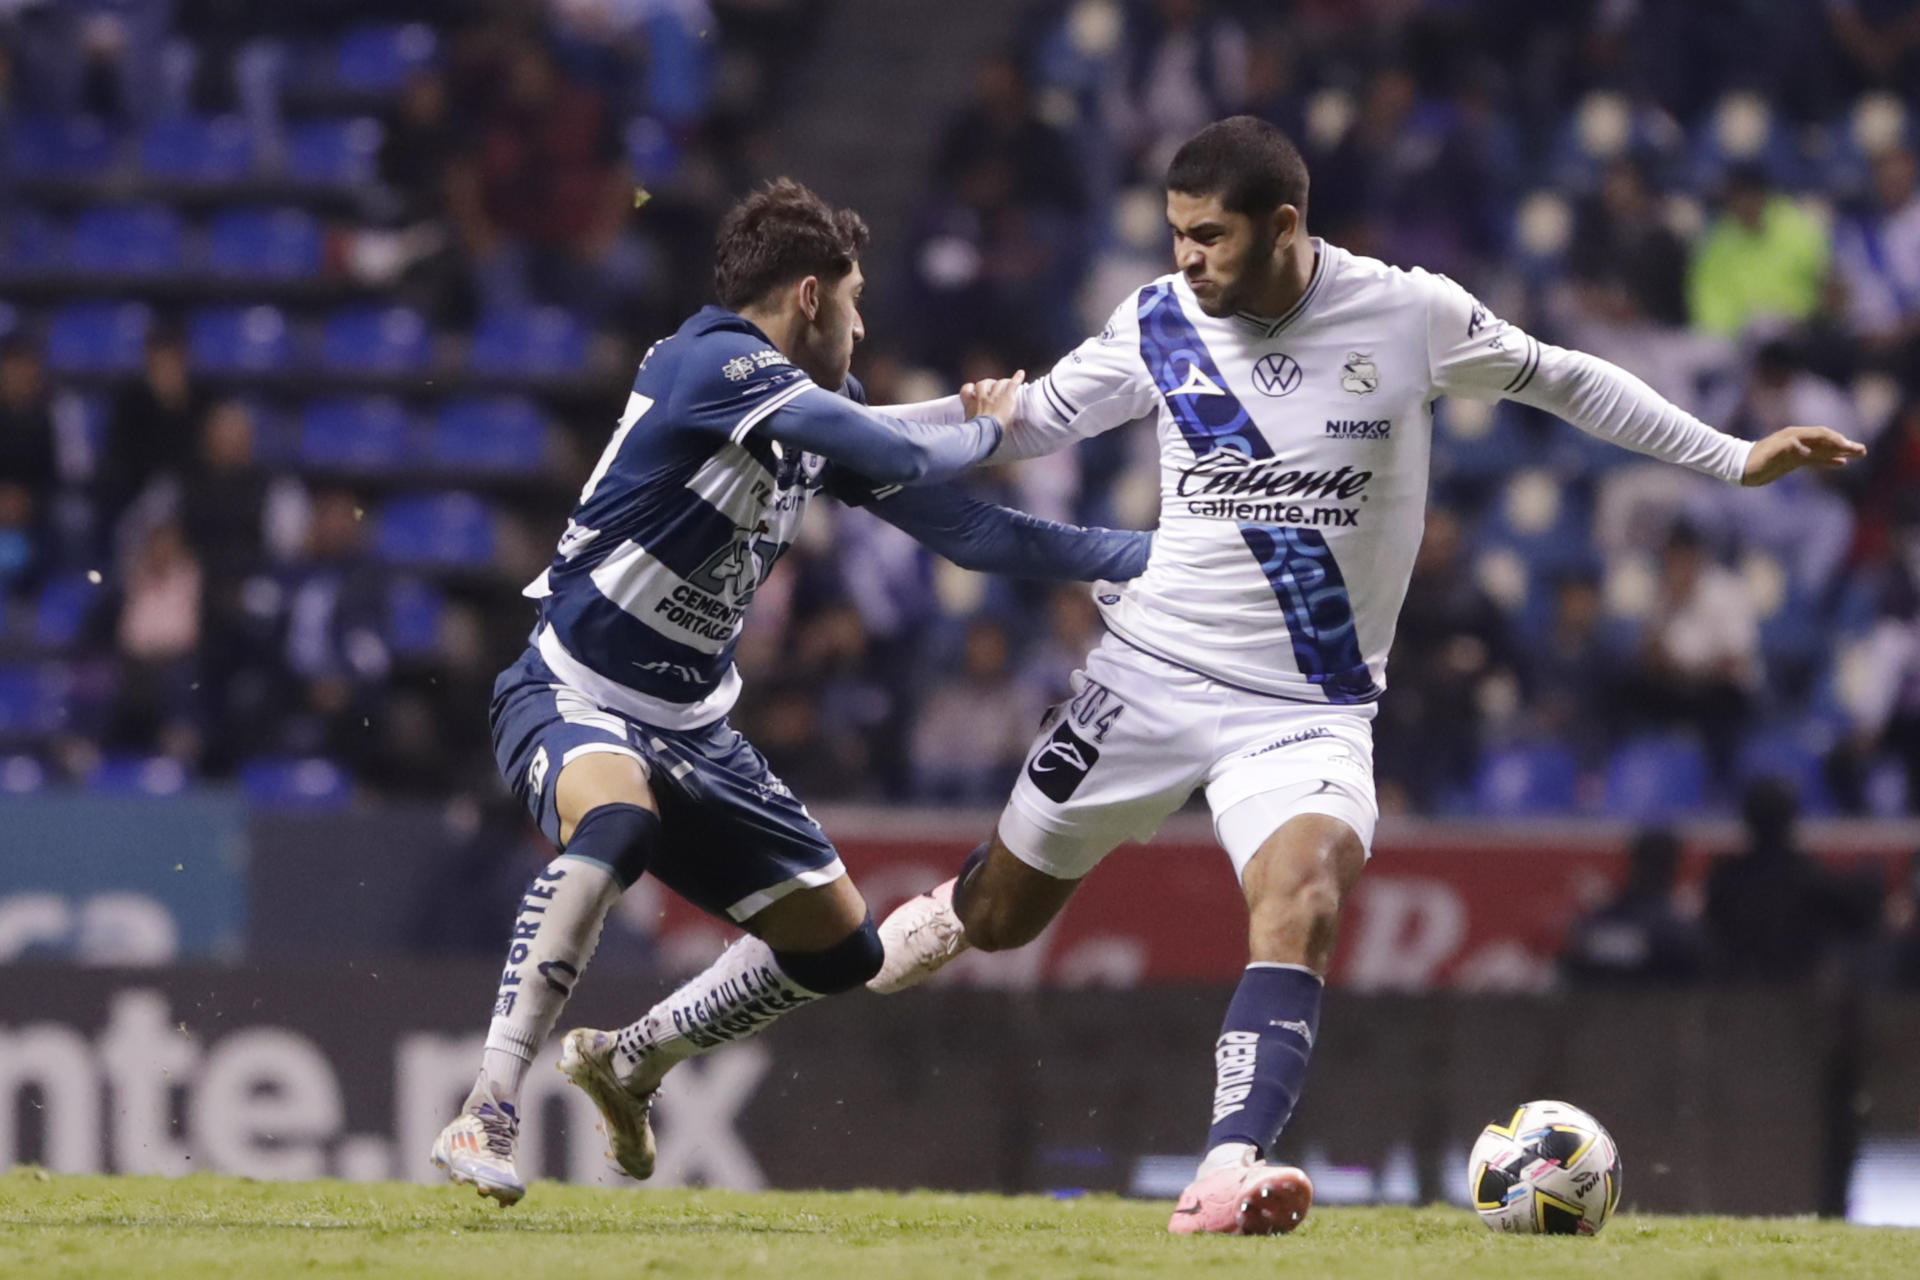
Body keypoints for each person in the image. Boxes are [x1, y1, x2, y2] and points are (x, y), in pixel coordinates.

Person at [866, 116, 1865, 1237]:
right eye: (1176, 235)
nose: (1185, 259)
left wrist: (1732, 457)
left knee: (1303, 900)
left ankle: (1226, 1170)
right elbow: (1020, 423)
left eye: (1208, 236)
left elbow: (1567, 380)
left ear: (1283, 225)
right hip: (1152, 675)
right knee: (995, 915)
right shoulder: (1158, 318)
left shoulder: (1406, 313)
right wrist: (825, 428)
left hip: (1308, 704)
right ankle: (840, 955)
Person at [430, 179, 1152, 1206]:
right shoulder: (709, 360)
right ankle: (489, 1105)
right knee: (618, 823)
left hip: (693, 727)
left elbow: (973, 532)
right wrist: (989, 427)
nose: (863, 326)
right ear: (809, 295)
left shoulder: (822, 416)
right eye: (856, 302)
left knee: (839, 946)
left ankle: (630, 1059)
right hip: (571, 689)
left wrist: (1155, 554)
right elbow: (913, 446)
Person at [1559, 828, 1708, 987]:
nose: (1651, 870)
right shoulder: (1680, 931)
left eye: (1656, 864)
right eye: (1650, 863)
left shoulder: (1598, 921)